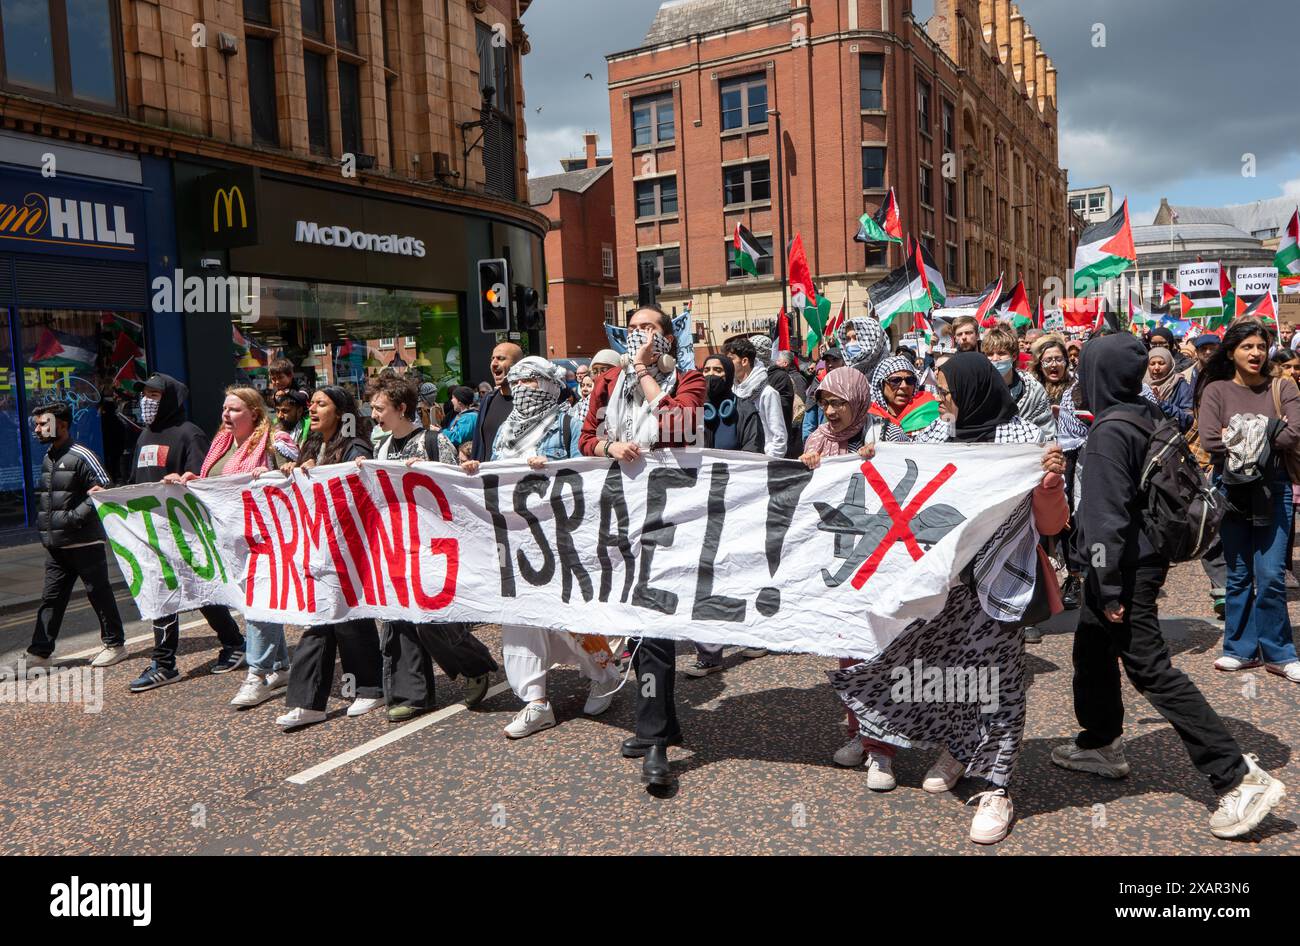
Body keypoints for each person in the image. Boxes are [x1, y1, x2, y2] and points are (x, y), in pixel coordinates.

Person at [1056, 332, 1286, 839]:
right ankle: (1100, 742)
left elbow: (1103, 519)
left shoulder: (1109, 431)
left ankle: (1237, 777)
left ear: (1096, 374)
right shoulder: (1146, 412)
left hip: (1122, 566)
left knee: (1152, 670)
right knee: (1092, 647)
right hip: (1147, 556)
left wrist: (1108, 583)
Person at [830, 353, 1067, 843]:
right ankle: (960, 749)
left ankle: (997, 787)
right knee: (945, 673)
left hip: (1001, 582)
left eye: (945, 392)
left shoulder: (1022, 441)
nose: (937, 401)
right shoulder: (937, 435)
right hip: (942, 586)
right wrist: (874, 463)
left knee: (999, 683)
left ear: (973, 391)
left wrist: (1049, 485)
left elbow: (1051, 525)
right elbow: (904, 478)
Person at [579, 304, 705, 788]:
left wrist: (644, 372)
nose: (638, 336)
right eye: (631, 330)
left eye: (648, 328)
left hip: (671, 513)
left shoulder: (688, 379)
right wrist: (607, 448)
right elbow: (587, 437)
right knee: (638, 623)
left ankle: (653, 738)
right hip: (620, 513)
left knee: (654, 622)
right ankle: (664, 723)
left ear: (667, 336)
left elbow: (680, 425)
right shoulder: (608, 382)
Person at [463, 357, 620, 738]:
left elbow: (587, 469)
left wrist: (553, 465)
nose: (522, 387)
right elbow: (494, 471)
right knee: (519, 616)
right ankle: (534, 700)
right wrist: (475, 469)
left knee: (569, 614)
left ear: (550, 384)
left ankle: (604, 673)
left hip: (559, 533)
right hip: (516, 537)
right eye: (516, 380)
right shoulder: (504, 429)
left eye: (531, 380)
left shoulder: (567, 420)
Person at [360, 375, 497, 721]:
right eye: (373, 408)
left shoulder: (436, 441)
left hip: (435, 546)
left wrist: (429, 472)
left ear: (401, 408)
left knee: (433, 619)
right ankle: (413, 693)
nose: (374, 415)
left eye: (380, 408)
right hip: (397, 545)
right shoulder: (381, 449)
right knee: (399, 619)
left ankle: (475, 664)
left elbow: (456, 490)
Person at [109, 374, 248, 692]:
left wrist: (184, 481)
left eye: (154, 394)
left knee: (201, 589)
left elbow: (203, 482)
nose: (146, 400)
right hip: (152, 534)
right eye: (144, 394)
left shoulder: (190, 434)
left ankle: (233, 643)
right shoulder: (144, 435)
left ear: (169, 398)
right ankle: (165, 663)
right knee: (162, 593)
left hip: (184, 532)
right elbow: (136, 482)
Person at [168, 387, 295, 706]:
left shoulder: (275, 440)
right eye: (225, 408)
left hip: (266, 538)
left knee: (258, 602)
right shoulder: (221, 444)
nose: (226, 415)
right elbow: (213, 483)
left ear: (254, 413)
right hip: (231, 539)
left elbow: (297, 475)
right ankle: (279, 666)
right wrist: (191, 480)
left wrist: (272, 474)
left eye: (235, 410)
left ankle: (256, 673)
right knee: (256, 603)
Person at [274, 386, 386, 729]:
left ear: (341, 413)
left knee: (347, 618)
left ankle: (366, 686)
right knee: (324, 618)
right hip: (319, 545)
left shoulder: (355, 446)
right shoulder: (311, 445)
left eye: (321, 403)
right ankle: (314, 701)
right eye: (311, 403)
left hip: (349, 545)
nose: (312, 408)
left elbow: (360, 487)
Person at [1195, 320, 1300, 682]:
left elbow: (1295, 433)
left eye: (1261, 346)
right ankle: (1239, 649)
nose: (1256, 353)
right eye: (1248, 347)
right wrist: (1268, 429)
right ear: (1231, 352)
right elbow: (1210, 441)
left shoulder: (1283, 386)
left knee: (1271, 574)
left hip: (1275, 488)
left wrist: (1239, 433)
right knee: (1238, 574)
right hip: (1232, 488)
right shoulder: (1216, 390)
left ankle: (1280, 652)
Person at [20, 403, 127, 672]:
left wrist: (72, 518)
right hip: (57, 544)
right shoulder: (49, 457)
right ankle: (40, 654)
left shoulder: (81, 455)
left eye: (43, 423)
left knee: (98, 593)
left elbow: (103, 488)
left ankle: (115, 645)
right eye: (36, 424)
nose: (37, 429)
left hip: (84, 541)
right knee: (51, 598)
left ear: (63, 425)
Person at [685, 354, 764, 678]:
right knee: (704, 577)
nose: (712, 375)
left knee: (739, 573)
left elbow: (753, 453)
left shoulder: (745, 409)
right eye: (707, 370)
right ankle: (709, 652)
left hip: (736, 505)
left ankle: (753, 634)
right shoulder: (690, 413)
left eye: (719, 370)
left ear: (730, 375)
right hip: (699, 508)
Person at [1031, 333, 1081, 611]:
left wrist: (1065, 415)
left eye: (1058, 359)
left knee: (1068, 518)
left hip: (1070, 460)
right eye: (1048, 360)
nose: (1053, 364)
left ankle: (1074, 578)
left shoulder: (1076, 389)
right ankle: (1041, 579)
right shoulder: (1032, 388)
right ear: (1039, 364)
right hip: (1038, 462)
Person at [981, 323, 1054, 438]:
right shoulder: (978, 387)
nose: (995, 359)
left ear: (1014, 356)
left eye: (1001, 353)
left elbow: (1046, 430)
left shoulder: (1032, 389)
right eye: (990, 354)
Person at [724, 337, 787, 459]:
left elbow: (779, 438)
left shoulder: (768, 393)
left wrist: (766, 463)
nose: (727, 364)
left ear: (744, 361)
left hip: (760, 464)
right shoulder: (731, 391)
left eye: (730, 359)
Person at [866, 355, 948, 443]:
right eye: (895, 380)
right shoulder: (869, 419)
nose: (904, 386)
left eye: (910, 380)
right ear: (881, 385)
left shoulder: (930, 406)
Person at [471, 342, 524, 461]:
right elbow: (478, 445)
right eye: (492, 359)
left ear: (518, 365)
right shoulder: (487, 400)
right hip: (486, 476)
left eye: (501, 358)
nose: (494, 363)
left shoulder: (528, 403)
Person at [1146, 345, 1193, 432]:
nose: (1156, 368)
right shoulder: (1142, 384)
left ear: (1170, 364)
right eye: (1152, 364)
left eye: (1161, 363)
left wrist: (1162, 403)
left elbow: (1188, 419)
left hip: (1170, 437)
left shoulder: (1180, 385)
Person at [438, 385, 479, 463]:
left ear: (460, 402)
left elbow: (458, 438)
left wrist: (441, 431)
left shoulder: (469, 418)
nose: (451, 400)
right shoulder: (464, 415)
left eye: (453, 398)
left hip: (466, 460)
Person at [272, 388, 310, 453]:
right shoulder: (272, 426)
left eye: (285, 411)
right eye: (277, 411)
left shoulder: (310, 428)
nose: (279, 416)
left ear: (299, 411)